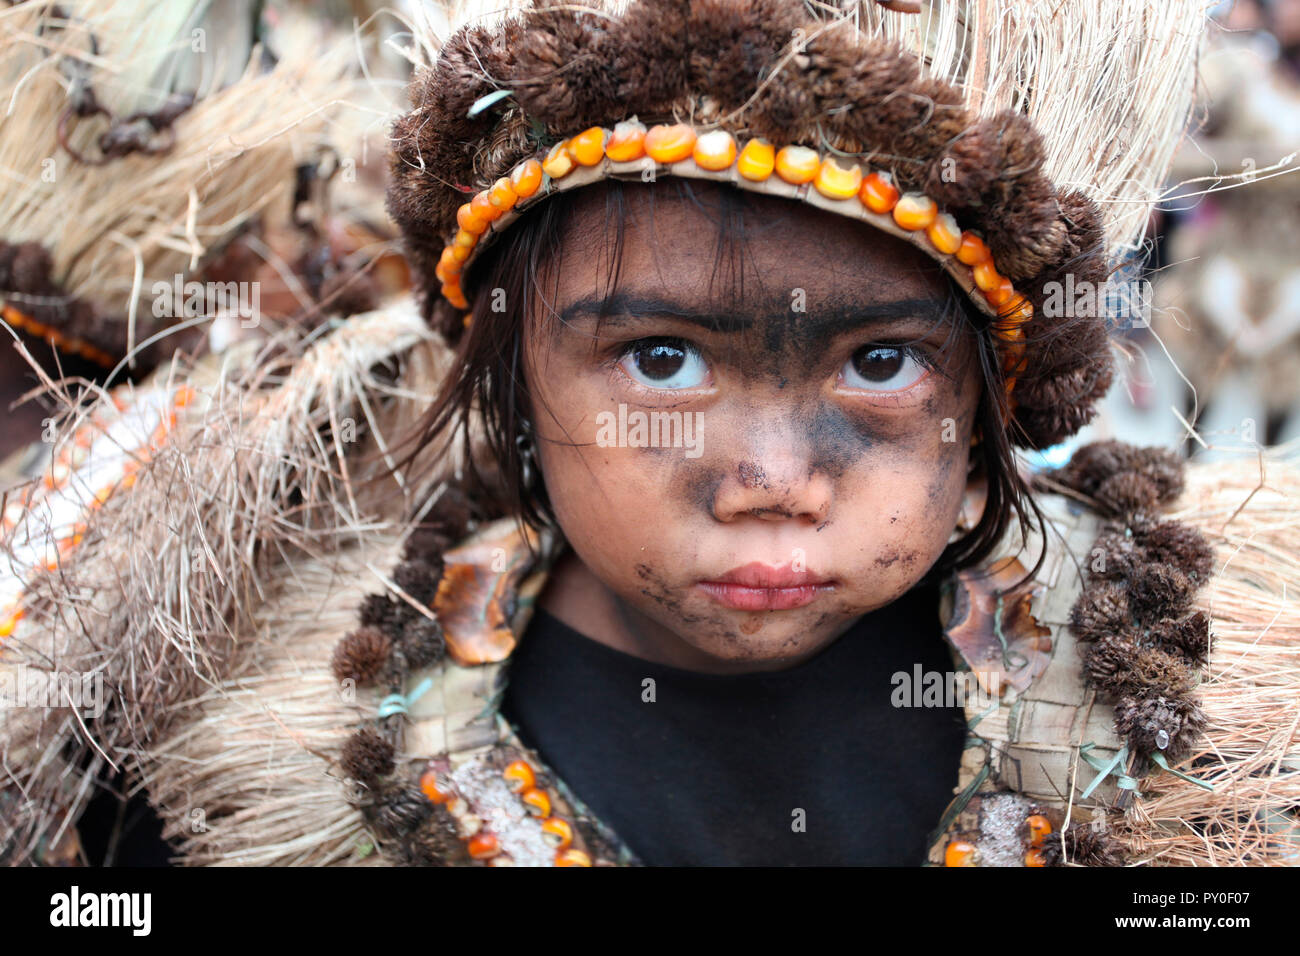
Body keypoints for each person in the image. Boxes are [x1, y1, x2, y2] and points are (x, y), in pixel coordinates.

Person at [3, 0, 1297, 867]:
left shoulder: (1195, 744)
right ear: (514, 370)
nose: (772, 482)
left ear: (998, 395)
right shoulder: (210, 746)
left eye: (881, 362)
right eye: (662, 360)